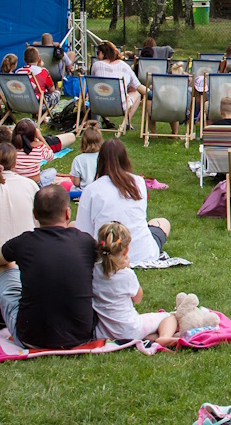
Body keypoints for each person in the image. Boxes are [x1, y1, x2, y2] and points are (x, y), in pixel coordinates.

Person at [0, 184, 97, 349]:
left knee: (6, 266)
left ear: (35, 214)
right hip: (82, 335)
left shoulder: (24, 242)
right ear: (67, 213)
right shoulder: (85, 242)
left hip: (31, 337)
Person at [74, 139, 171, 267]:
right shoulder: (138, 183)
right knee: (162, 223)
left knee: (72, 225)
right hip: (142, 252)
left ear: (100, 161)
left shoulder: (91, 190)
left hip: (105, 252)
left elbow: (83, 231)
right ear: (125, 158)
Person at [87, 221, 183, 345]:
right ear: (126, 250)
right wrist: (127, 269)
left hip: (102, 332)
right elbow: (138, 298)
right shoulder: (126, 275)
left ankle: (151, 337)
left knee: (144, 328)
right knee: (168, 317)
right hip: (129, 329)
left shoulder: (93, 272)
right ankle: (164, 337)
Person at [88, 40, 144, 129]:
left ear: (103, 53)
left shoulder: (96, 65)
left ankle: (98, 122)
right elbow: (138, 86)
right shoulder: (125, 66)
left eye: (98, 53)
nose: (97, 56)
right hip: (120, 107)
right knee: (136, 92)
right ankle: (126, 123)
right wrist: (152, 93)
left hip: (98, 105)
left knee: (100, 91)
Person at [70, 119, 104, 187]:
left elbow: (76, 182)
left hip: (84, 191)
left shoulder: (78, 159)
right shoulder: (105, 157)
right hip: (102, 189)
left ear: (83, 142)